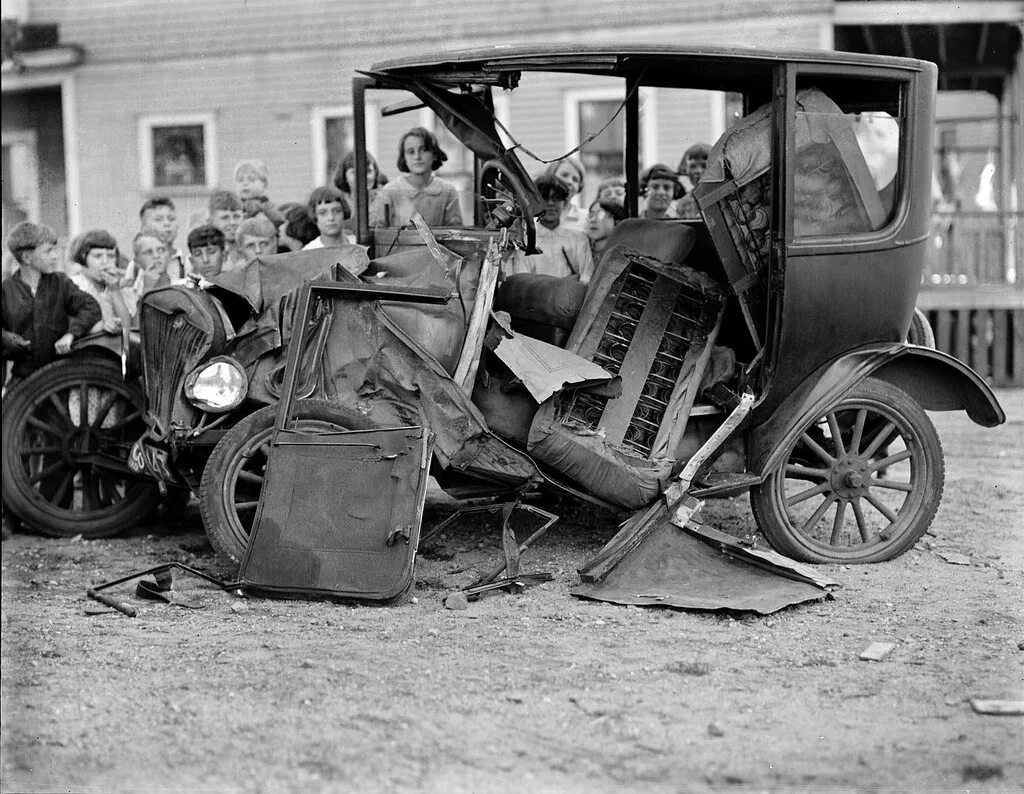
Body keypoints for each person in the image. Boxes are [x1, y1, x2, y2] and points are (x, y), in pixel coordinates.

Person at [2, 222, 101, 385]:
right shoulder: (6, 291)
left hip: (59, 376)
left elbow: (90, 307)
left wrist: (71, 334)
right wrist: (7, 339)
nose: (55, 256)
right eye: (49, 251)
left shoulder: (61, 283)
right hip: (23, 380)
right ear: (27, 257)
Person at [504, 174, 593, 282]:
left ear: (564, 203)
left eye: (556, 198)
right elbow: (523, 283)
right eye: (544, 198)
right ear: (535, 204)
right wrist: (566, 282)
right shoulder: (526, 241)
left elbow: (587, 278)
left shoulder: (579, 239)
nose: (550, 204)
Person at [371, 127, 462, 228]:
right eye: (411, 152)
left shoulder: (447, 191)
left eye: (424, 150)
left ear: (435, 155)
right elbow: (377, 232)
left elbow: (455, 232)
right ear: (404, 158)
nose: (417, 156)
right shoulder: (390, 191)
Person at [68, 229, 135, 331]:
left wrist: (115, 290)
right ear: (82, 258)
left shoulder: (120, 287)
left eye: (111, 256)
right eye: (97, 256)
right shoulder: (72, 286)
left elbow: (126, 328)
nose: (105, 261)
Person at [138, 197, 189, 281]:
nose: (167, 223)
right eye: (158, 219)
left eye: (171, 219)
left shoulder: (187, 263)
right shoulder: (136, 266)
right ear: (144, 228)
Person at [333, 151, 387, 228]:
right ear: (345, 177)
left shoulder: (386, 197)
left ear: (376, 173)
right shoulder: (338, 201)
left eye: (368, 171)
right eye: (355, 172)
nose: (362, 176)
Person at [303, 186, 355, 250]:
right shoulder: (309, 252)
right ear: (315, 216)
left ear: (344, 213)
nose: (331, 217)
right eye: (323, 213)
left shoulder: (358, 244)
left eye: (337, 211)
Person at [544, 157, 587, 231]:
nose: (569, 182)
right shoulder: (533, 217)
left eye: (575, 180)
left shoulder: (586, 219)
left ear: (579, 187)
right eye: (564, 175)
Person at [234, 159, 283, 224]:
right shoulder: (234, 205)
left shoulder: (268, 206)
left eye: (251, 180)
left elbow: (278, 222)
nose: (245, 183)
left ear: (264, 184)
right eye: (240, 180)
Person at [672, 143, 711, 219]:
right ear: (686, 170)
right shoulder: (683, 203)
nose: (698, 171)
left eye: (704, 166)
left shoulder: (723, 196)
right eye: (693, 166)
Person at [208, 190, 244, 261]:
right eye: (225, 218)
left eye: (236, 216)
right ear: (212, 221)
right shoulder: (205, 255)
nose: (232, 222)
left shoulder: (252, 251)